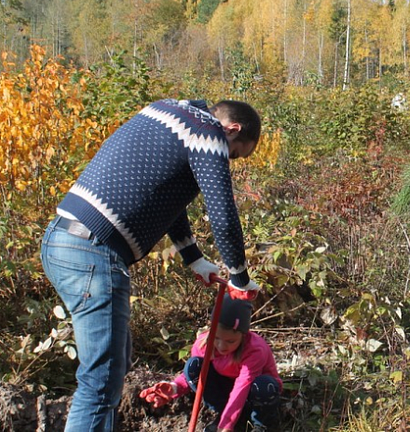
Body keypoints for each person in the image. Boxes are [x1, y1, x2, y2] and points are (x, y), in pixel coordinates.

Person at [40, 99, 264, 431]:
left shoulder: (168, 111)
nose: (228, 160)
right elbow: (223, 215)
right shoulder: (209, 134)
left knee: (114, 363)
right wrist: (240, 277)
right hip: (94, 253)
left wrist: (195, 258)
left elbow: (168, 195)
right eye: (234, 154)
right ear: (233, 130)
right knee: (100, 383)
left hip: (59, 241)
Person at [140, 294, 282, 432]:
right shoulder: (204, 344)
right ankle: (225, 413)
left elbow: (243, 384)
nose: (221, 346)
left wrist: (227, 423)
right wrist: (174, 387)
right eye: (217, 338)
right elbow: (194, 375)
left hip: (253, 393)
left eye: (230, 341)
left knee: (264, 386)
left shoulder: (255, 349)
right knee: (193, 365)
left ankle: (259, 423)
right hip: (226, 391)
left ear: (243, 335)